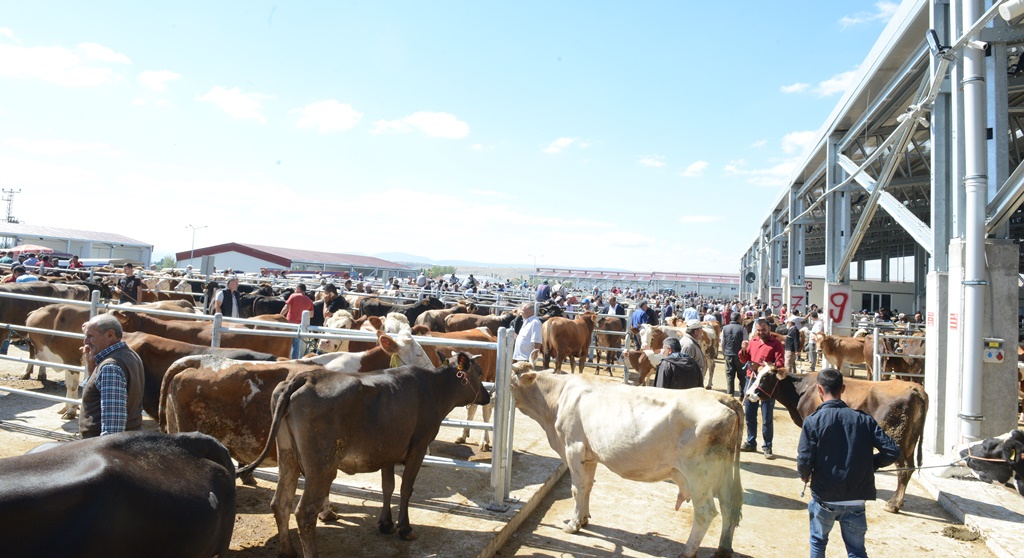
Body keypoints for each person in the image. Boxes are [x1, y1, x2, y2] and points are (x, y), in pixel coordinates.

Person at [797, 368, 900, 558]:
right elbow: (892, 451)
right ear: (842, 389)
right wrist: (871, 463)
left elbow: (804, 460)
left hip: (824, 497)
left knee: (818, 542)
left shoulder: (812, 421)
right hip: (856, 499)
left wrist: (805, 475)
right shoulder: (864, 420)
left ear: (819, 389)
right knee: (857, 550)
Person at [79, 314, 145, 438]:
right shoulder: (130, 354)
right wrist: (91, 364)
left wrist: (107, 455)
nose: (85, 341)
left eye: (90, 336)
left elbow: (112, 429)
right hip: (128, 441)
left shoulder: (110, 367)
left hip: (102, 449)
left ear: (110, 335)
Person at [739, 317, 785, 459]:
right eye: (758, 330)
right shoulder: (752, 342)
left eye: (763, 330)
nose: (760, 333)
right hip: (751, 380)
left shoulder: (776, 344)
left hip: (767, 385)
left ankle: (767, 446)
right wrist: (743, 349)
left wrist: (761, 367)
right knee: (750, 413)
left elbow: (780, 363)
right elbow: (744, 359)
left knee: (767, 416)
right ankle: (751, 442)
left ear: (769, 329)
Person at [282, 283, 315, 358]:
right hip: (300, 325)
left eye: (295, 289)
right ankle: (293, 360)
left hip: (289, 323)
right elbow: (312, 315)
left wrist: (279, 316)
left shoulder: (293, 296)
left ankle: (285, 358)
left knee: (286, 343)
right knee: (296, 345)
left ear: (299, 289)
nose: (295, 290)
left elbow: (286, 307)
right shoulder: (309, 301)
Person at [721, 311, 748, 397]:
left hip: (729, 355)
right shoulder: (742, 329)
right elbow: (745, 343)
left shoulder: (725, 328)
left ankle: (730, 395)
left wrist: (724, 353)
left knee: (729, 376)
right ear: (739, 319)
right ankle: (742, 395)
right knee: (742, 377)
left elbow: (722, 342)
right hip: (740, 356)